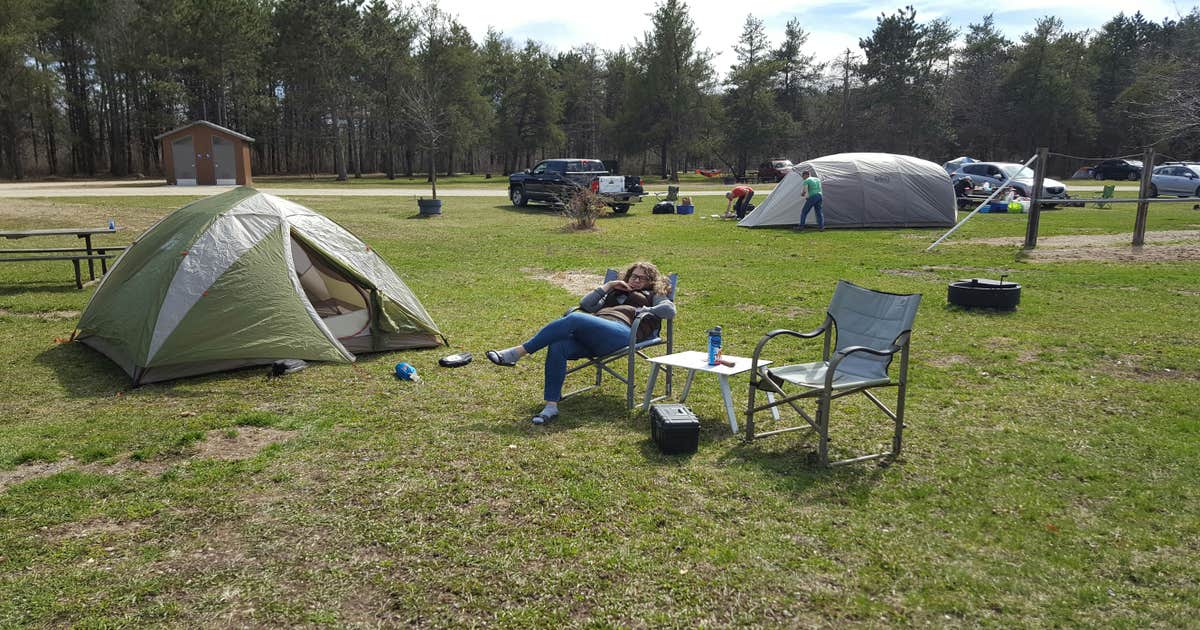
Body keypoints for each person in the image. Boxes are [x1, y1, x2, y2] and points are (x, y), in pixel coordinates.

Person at [486, 262, 676, 425]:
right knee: (558, 344)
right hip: (596, 334)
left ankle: (516, 353)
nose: (636, 280)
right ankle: (551, 406)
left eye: (641, 278)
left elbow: (669, 309)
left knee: (575, 319)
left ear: (650, 282)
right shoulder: (616, 290)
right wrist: (609, 285)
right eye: (634, 276)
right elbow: (586, 305)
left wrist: (646, 309)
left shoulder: (653, 293)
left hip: (623, 333)